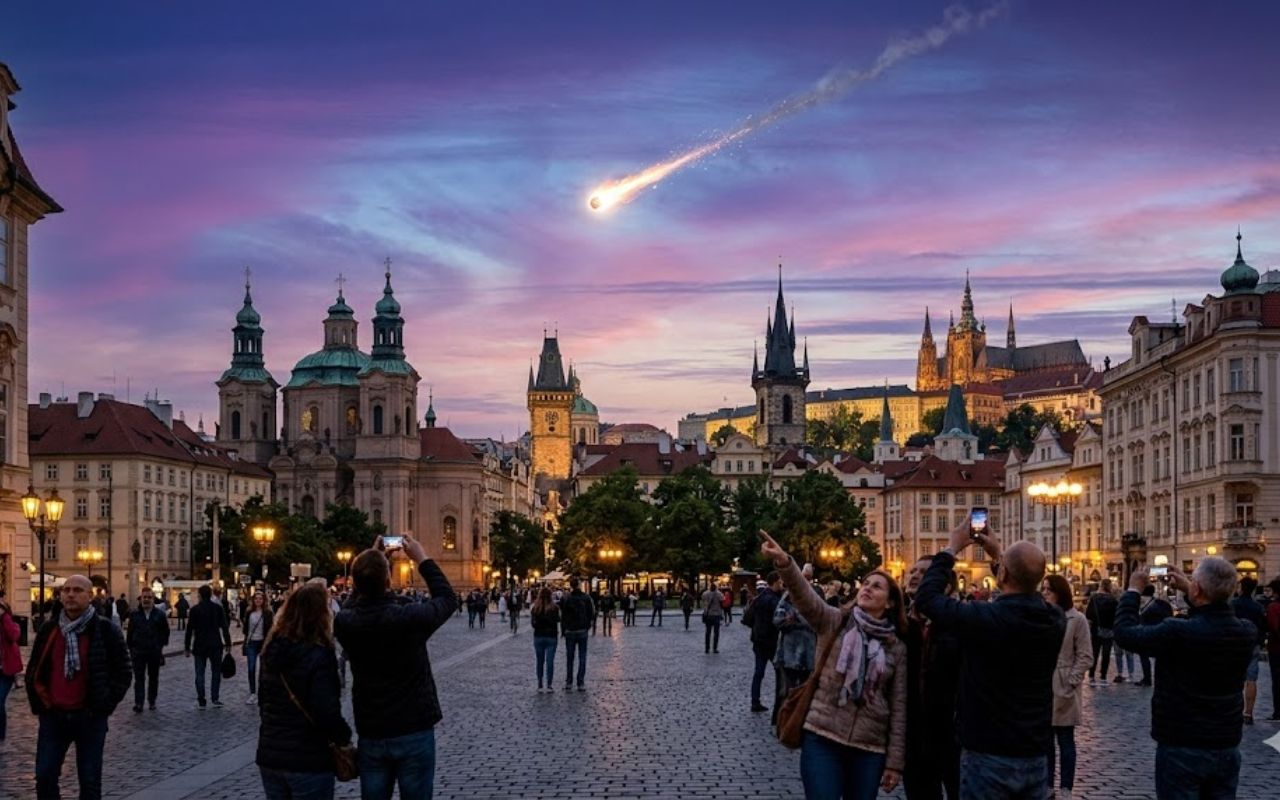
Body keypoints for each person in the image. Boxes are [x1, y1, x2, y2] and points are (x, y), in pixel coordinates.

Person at [914, 517, 1066, 800]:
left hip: (987, 753)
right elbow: (1028, 590)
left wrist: (950, 549)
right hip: (1034, 752)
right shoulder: (1054, 620)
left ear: (1003, 575)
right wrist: (1001, 557)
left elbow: (927, 599)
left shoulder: (983, 617)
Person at [760, 530, 906, 797]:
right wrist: (784, 563)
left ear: (891, 601)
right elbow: (805, 598)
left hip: (869, 747)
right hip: (822, 736)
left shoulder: (896, 647)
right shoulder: (835, 621)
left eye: (876, 586)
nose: (867, 588)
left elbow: (898, 707)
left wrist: (895, 763)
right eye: (866, 584)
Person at [1114, 558, 1257, 799]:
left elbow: (1125, 634)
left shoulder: (1177, 631)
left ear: (1198, 589)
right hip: (1226, 744)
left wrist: (1132, 591)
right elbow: (1218, 614)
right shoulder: (1245, 631)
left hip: (1182, 744)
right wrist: (1192, 589)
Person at [335, 535, 456, 799]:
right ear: (389, 580)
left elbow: (348, 607)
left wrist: (370, 560)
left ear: (355, 583)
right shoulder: (407, 617)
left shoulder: (346, 623)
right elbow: (447, 599)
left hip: (373, 730)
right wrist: (422, 558)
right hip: (414, 727)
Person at [26, 574, 131, 800]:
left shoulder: (105, 630)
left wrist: (104, 705)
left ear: (90, 596)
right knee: (44, 776)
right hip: (53, 716)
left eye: (77, 590)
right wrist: (41, 704)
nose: (70, 594)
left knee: (90, 781)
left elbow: (123, 671)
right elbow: (35, 669)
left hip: (90, 717)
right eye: (66, 590)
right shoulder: (49, 629)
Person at [256, 581, 353, 800]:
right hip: (308, 759)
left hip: (270, 756)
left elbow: (263, 701)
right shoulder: (319, 654)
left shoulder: (271, 649)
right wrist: (343, 738)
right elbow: (325, 709)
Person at [901, 556, 961, 800]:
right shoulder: (901, 623)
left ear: (945, 587)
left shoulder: (960, 622)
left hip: (954, 732)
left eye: (923, 573)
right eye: (913, 570)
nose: (914, 575)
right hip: (915, 734)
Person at [1043, 574, 1092, 800]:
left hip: (1063, 684)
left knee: (1065, 739)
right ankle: (1047, 785)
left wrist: (1071, 681)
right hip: (1042, 685)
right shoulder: (1041, 616)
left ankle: (1066, 788)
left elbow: (1085, 656)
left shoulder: (1077, 619)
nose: (1043, 593)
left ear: (1060, 593)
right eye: (1042, 589)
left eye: (1048, 590)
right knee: (1045, 742)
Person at [772, 564, 817, 727]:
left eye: (808, 577)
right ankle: (783, 721)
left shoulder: (815, 596)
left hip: (808, 652)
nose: (806, 580)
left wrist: (797, 619)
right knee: (787, 690)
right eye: (803, 577)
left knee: (805, 690)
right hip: (789, 653)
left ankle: (800, 722)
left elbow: (819, 621)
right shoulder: (788, 597)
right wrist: (790, 621)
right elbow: (778, 620)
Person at [185, 584, 232, 708]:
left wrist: (187, 646)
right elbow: (224, 627)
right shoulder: (217, 608)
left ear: (200, 595)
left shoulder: (195, 610)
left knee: (199, 674)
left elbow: (189, 629)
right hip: (215, 644)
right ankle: (215, 698)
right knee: (216, 672)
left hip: (199, 645)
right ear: (211, 595)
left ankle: (201, 700)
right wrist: (228, 642)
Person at [1229, 576, 1267, 725]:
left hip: (1235, 645)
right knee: (1252, 679)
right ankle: (1248, 713)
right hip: (1253, 645)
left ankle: (1234, 710)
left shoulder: (1233, 604)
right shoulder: (1258, 607)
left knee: (1234, 679)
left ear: (1241, 588)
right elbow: (1263, 627)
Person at [126, 588, 170, 713]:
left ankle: (152, 701)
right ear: (141, 598)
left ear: (153, 599)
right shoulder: (134, 615)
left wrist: (160, 645)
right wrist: (131, 648)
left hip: (154, 652)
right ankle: (139, 703)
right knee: (139, 678)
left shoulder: (159, 615)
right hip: (138, 652)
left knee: (153, 678)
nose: (146, 600)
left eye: (149, 597)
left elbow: (165, 632)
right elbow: (130, 633)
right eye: (144, 597)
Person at [745, 573, 782, 713]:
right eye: (780, 582)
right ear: (774, 583)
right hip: (770, 641)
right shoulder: (773, 600)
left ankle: (755, 701)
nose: (781, 585)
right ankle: (780, 702)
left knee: (758, 673)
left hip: (758, 640)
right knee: (780, 672)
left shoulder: (759, 598)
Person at [559, 577, 594, 691]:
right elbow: (591, 613)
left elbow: (563, 616)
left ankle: (569, 682)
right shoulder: (586, 598)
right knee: (582, 656)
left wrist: (563, 630)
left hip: (570, 630)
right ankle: (580, 682)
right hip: (582, 630)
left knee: (570, 657)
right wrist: (587, 626)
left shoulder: (567, 598)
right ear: (579, 585)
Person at [1136, 584, 1173, 687]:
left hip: (1147, 633)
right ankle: (1158, 678)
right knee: (1158, 658)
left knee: (1144, 657)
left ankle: (1147, 678)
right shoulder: (1161, 604)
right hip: (1159, 633)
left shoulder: (1143, 603)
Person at [1085, 580, 1118, 685]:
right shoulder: (1113, 600)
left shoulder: (1094, 599)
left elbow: (1089, 614)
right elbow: (1117, 616)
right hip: (1109, 630)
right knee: (1106, 654)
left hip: (1096, 629)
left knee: (1094, 653)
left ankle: (1091, 676)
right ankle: (1103, 677)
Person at [244, 592, 274, 706]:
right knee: (251, 668)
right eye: (256, 599)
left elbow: (271, 629)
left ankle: (262, 693)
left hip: (263, 643)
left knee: (263, 670)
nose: (258, 600)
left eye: (260, 599)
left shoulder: (268, 613)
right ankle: (252, 693)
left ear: (263, 600)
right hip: (251, 642)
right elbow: (245, 628)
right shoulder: (249, 612)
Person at [0, 593, 23, 742]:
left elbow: (14, 636)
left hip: (5, 668)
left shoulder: (5, 619)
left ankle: (0, 734)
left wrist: (3, 618)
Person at [530, 587, 560, 692]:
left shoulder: (535, 608)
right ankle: (549, 685)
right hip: (551, 636)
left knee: (540, 661)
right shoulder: (554, 608)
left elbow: (533, 624)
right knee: (550, 661)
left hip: (538, 636)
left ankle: (540, 684)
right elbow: (557, 620)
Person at [1267, 578, 1280, 720]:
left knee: (1277, 681)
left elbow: (1273, 626)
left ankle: (1278, 712)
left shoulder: (1273, 607)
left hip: (1276, 648)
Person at [702, 583, 724, 654]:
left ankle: (707, 648)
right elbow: (722, 604)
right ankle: (715, 648)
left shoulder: (705, 594)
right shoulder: (719, 594)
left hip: (708, 614)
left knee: (707, 633)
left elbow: (703, 601)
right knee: (716, 633)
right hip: (716, 614)